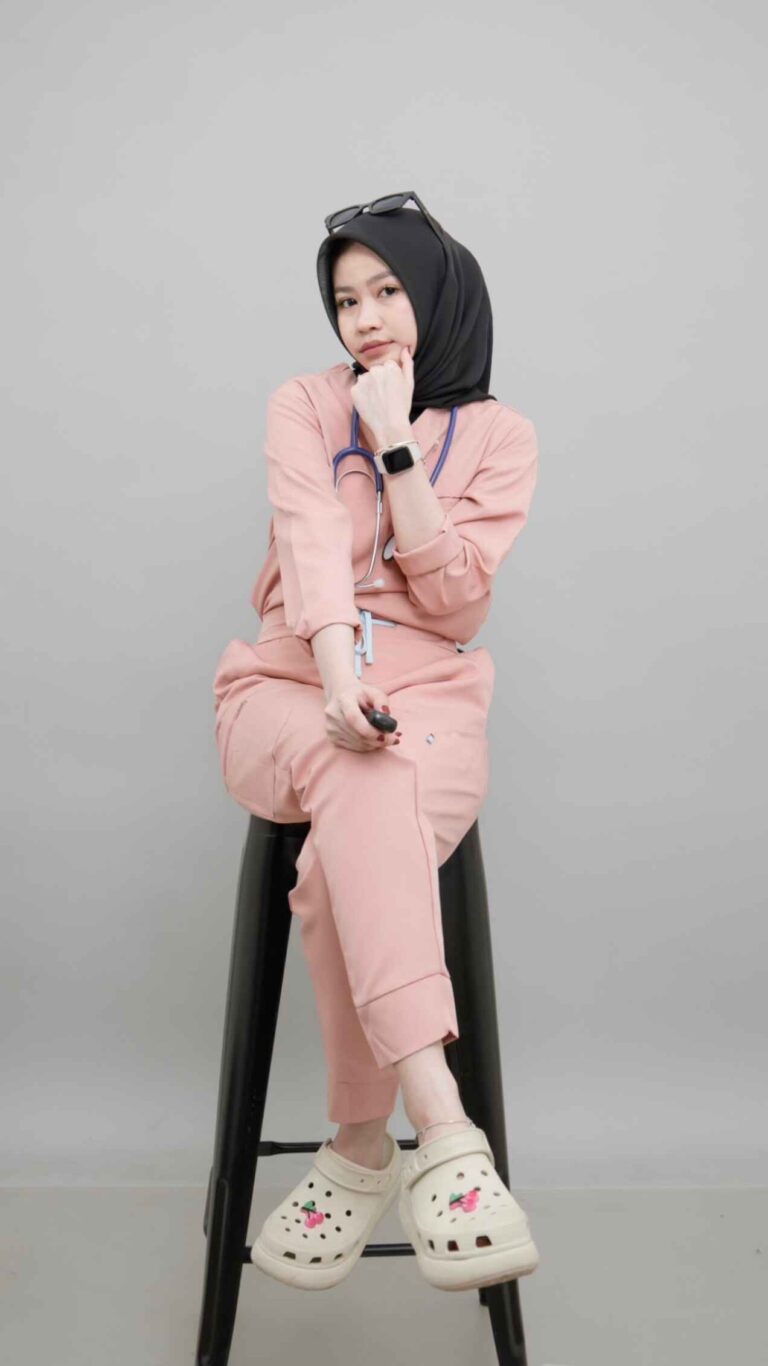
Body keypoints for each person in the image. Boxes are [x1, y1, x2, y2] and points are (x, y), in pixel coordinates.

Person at [211, 194, 541, 1292]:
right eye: (346, 300)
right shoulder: (305, 405)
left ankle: (359, 1141)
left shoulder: (500, 437)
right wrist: (339, 679)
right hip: (287, 683)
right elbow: (310, 542)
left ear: (438, 295)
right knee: (354, 756)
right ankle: (441, 1127)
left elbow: (455, 604)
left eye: (388, 291)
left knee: (352, 832)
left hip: (431, 693)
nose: (365, 318)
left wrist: (396, 442)